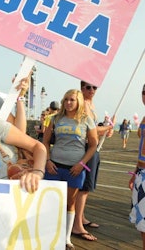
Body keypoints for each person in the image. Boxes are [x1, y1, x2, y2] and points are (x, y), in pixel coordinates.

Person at [42, 89, 98, 249]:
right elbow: (45, 142)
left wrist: (81, 164)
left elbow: (93, 145)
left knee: (70, 203)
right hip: (54, 166)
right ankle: (49, 235)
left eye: (72, 100)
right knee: (50, 202)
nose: (68, 102)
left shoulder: (86, 120)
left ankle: (66, 238)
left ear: (78, 101)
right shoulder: (55, 118)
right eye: (66, 99)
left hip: (75, 168)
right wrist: (47, 160)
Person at [73, 81, 114, 236]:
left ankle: (80, 217)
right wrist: (108, 128)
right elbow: (92, 129)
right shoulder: (83, 105)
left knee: (86, 188)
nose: (91, 90)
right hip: (86, 150)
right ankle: (77, 224)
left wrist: (105, 131)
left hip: (92, 148)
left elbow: (95, 130)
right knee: (83, 187)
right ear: (82, 88)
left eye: (94, 87)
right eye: (88, 87)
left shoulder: (91, 105)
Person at [129, 83, 145, 250]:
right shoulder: (144, 118)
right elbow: (142, 150)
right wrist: (135, 173)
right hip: (141, 173)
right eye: (143, 91)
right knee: (142, 224)